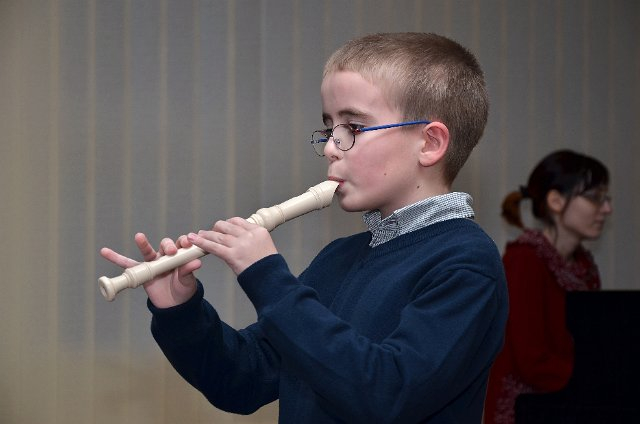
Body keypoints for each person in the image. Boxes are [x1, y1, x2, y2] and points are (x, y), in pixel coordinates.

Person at [101, 32, 508, 423]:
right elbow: (241, 381)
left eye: (355, 128)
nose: (331, 146)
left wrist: (267, 277)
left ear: (429, 143)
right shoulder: (340, 257)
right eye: (330, 128)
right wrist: (180, 312)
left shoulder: (466, 264)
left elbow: (385, 395)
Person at [483, 149, 612, 424]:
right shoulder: (524, 260)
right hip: (529, 409)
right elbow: (530, 358)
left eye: (606, 198)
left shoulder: (584, 265)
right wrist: (599, 382)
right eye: (595, 198)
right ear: (555, 200)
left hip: (572, 402)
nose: (606, 209)